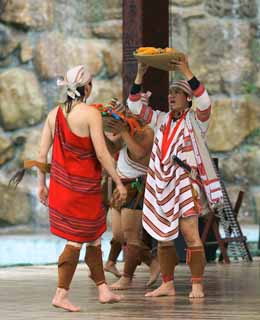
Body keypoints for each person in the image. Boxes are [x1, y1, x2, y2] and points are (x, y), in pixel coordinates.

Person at [127, 56, 223, 298]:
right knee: (163, 236)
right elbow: (135, 107)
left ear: (187, 98)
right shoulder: (161, 119)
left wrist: (186, 70)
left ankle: (197, 284)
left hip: (185, 182)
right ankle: (167, 283)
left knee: (191, 234)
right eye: (169, 93)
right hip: (162, 183)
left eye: (176, 93)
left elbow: (205, 102)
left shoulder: (196, 120)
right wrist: (139, 74)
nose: (171, 97)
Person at [37, 65, 127, 312]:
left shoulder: (53, 114)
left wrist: (40, 185)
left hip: (61, 189)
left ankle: (103, 289)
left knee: (95, 239)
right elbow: (101, 153)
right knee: (76, 240)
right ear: (87, 87)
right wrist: (118, 181)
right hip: (82, 191)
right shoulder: (90, 114)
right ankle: (61, 294)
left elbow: (42, 153)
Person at [102, 107, 160, 290]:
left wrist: (124, 131)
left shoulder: (148, 132)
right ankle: (153, 262)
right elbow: (112, 148)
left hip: (136, 187)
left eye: (132, 111)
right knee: (119, 235)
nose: (129, 114)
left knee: (131, 235)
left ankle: (127, 277)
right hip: (121, 186)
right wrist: (98, 131)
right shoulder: (127, 130)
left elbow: (139, 152)